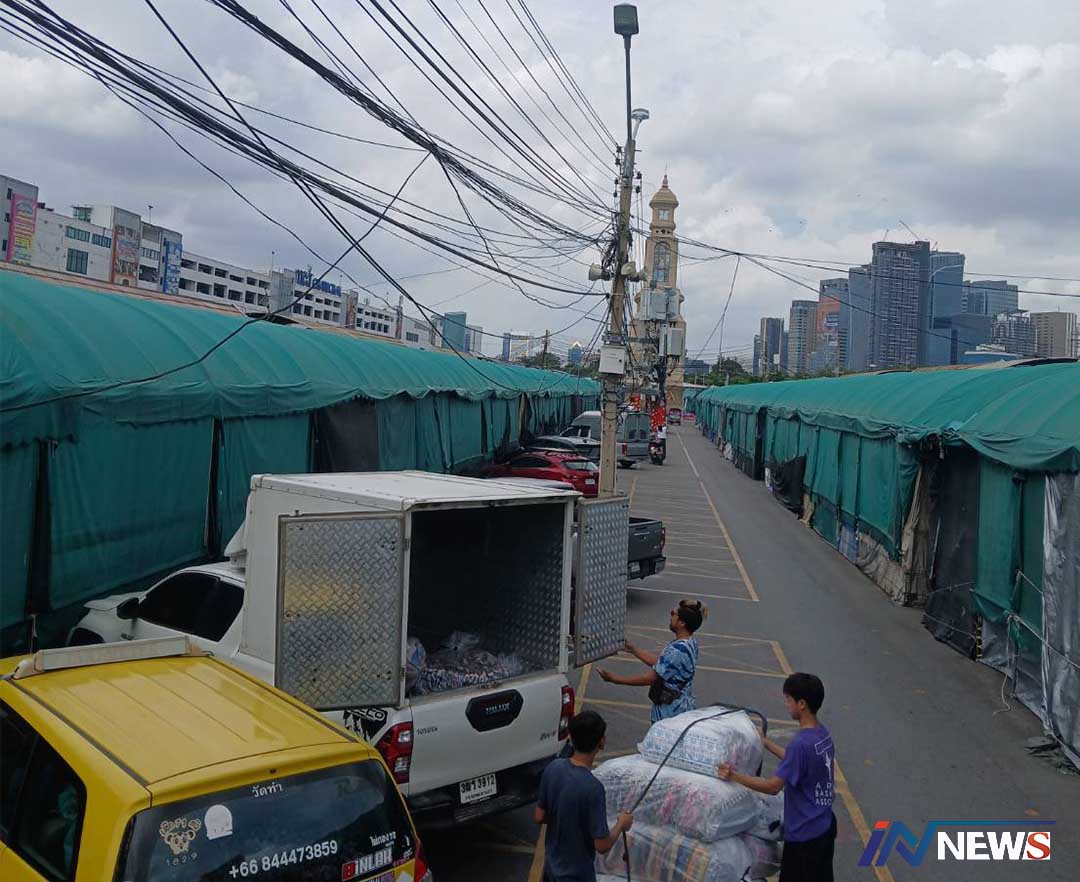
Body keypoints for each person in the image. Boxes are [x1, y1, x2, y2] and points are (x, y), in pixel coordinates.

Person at [717, 672, 836, 882]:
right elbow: (796, 761)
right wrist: (765, 742)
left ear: (801, 704)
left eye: (788, 699)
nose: (786, 704)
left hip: (804, 834)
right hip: (824, 825)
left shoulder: (801, 744)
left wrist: (734, 776)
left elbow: (773, 787)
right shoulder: (822, 734)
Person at [534, 710, 633, 882]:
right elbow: (602, 845)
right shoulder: (593, 788)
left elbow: (539, 816)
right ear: (602, 742)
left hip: (551, 871)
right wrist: (621, 824)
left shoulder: (554, 768)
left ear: (571, 738)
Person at [598, 599, 704, 722]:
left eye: (673, 614)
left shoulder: (677, 650)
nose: (670, 617)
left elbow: (650, 678)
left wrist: (615, 679)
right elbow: (663, 664)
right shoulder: (690, 642)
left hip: (670, 713)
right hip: (681, 707)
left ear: (682, 623)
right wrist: (633, 649)